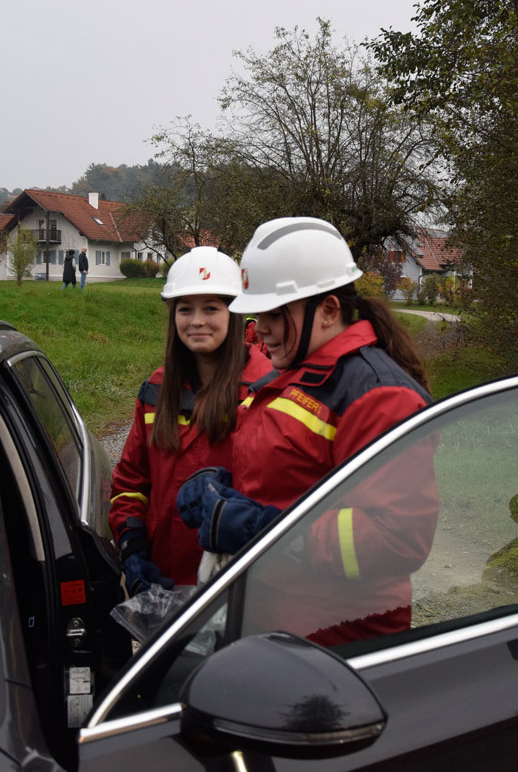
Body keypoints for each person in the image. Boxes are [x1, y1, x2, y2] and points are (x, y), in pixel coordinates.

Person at [177, 216, 438, 645]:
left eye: (274, 314)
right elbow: (290, 473)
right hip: (276, 627)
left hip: (334, 643)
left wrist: (264, 531)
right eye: (258, 313)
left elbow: (397, 540)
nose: (260, 328)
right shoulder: (299, 372)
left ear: (329, 310)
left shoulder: (379, 396)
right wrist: (223, 489)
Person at [109, 246, 273, 593]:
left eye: (211, 308)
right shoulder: (156, 389)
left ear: (235, 313)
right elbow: (130, 484)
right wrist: (132, 548)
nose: (197, 321)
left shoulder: (266, 391)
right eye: (185, 309)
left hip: (239, 587)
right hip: (162, 582)